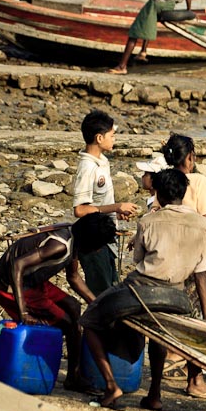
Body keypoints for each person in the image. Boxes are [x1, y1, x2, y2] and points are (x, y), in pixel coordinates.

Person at [81, 169, 206, 409]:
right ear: (184, 192)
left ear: (159, 194)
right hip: (177, 296)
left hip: (140, 290)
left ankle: (111, 385)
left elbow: (138, 260)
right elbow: (202, 272)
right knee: (159, 336)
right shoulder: (203, 225)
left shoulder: (148, 221)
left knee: (90, 321)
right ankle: (154, 395)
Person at [0, 213, 116, 391]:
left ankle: (74, 371)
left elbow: (73, 277)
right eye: (99, 246)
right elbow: (17, 265)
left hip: (34, 281)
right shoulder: (59, 246)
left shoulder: (74, 238)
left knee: (74, 306)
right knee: (69, 324)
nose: (98, 251)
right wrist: (23, 310)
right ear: (91, 243)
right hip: (10, 284)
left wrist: (97, 304)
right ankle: (73, 377)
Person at [158, 133, 206, 379]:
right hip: (195, 253)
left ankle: (172, 355)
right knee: (195, 309)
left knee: (175, 306)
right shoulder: (198, 181)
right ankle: (185, 362)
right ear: (191, 157)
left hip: (169, 254)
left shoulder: (165, 181)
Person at [72, 110, 139, 296]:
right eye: (112, 135)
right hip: (93, 241)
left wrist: (114, 213)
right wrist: (115, 207)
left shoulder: (102, 161)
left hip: (106, 235)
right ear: (99, 138)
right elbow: (80, 209)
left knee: (112, 286)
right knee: (101, 293)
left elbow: (98, 203)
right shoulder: (87, 167)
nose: (114, 139)